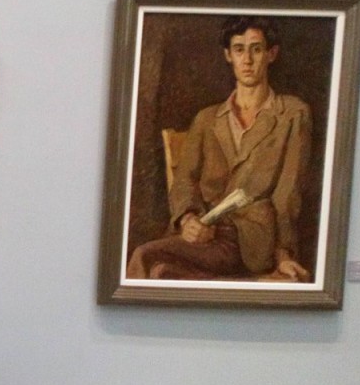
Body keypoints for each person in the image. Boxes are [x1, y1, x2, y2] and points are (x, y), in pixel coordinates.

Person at [126, 16, 312, 282]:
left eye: (256, 49)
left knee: (144, 256)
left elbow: (288, 193)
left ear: (271, 54)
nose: (247, 60)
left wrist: (284, 254)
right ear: (228, 55)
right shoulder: (206, 118)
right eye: (239, 49)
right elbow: (184, 180)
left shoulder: (292, 114)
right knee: (159, 272)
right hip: (205, 233)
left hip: (251, 240)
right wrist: (188, 220)